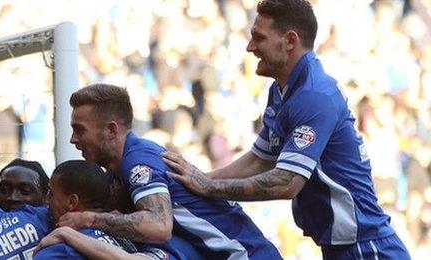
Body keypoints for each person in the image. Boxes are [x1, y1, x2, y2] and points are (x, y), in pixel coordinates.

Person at [161, 1, 411, 259]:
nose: (250, 47)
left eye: (259, 38)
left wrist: (210, 188)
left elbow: (287, 182)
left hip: (368, 250)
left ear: (290, 41)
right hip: (344, 249)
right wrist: (198, 180)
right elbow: (260, 160)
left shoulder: (313, 96)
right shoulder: (283, 90)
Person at [59, 84, 282, 259]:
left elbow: (159, 227)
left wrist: (89, 219)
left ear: (111, 130)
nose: (73, 139)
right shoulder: (122, 166)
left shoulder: (138, 161)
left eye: (80, 130)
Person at [34, 160, 202, 260]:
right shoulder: (134, 239)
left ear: (72, 202)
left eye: (51, 193)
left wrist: (66, 234)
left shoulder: (60, 251)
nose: (46, 201)